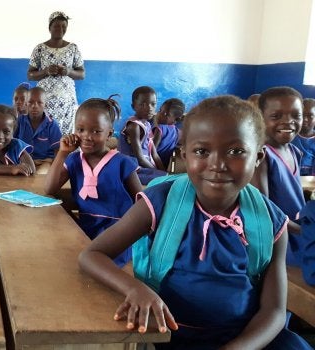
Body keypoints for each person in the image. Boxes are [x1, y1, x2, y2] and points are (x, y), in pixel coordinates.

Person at [78, 95, 311, 349]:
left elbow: (274, 312)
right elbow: (92, 255)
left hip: (245, 336)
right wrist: (135, 289)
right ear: (184, 154)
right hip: (169, 333)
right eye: (202, 151)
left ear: (258, 157)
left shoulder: (271, 221)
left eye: (236, 151)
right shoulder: (160, 202)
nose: (218, 165)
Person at [45, 97, 142, 265]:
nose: (87, 137)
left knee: (96, 266)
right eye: (80, 129)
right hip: (84, 228)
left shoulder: (122, 162)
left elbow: (142, 202)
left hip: (118, 233)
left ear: (109, 133)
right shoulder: (74, 160)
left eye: (96, 131)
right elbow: (49, 189)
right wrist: (62, 153)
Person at [250, 87, 304, 260]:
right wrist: (304, 232)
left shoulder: (295, 151)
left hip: (299, 231)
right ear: (261, 118)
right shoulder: (262, 156)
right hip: (281, 241)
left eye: (296, 116)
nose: (288, 122)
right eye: (276, 116)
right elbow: (263, 210)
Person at [27, 11, 85, 135]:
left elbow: (81, 74)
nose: (61, 29)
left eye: (64, 26)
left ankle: (63, 154)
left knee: (65, 134)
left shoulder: (73, 48)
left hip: (67, 101)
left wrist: (69, 71)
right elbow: (30, 75)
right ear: (50, 28)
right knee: (46, 130)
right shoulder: (40, 49)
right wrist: (45, 71)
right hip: (44, 100)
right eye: (57, 26)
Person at [118, 86, 166, 184]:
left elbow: (154, 154)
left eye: (153, 104)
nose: (149, 108)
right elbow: (139, 158)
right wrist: (158, 172)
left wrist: (164, 171)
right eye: (142, 104)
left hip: (144, 168)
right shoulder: (133, 126)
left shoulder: (147, 124)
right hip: (132, 170)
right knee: (164, 179)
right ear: (133, 106)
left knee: (167, 177)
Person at [14, 87, 62, 174]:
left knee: (38, 176)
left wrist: (56, 170)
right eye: (30, 102)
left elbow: (58, 150)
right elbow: (12, 142)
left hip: (44, 162)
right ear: (26, 104)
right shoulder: (20, 121)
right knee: (19, 176)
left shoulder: (51, 125)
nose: (34, 106)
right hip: (23, 160)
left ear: (45, 105)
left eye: (39, 102)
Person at [152, 98, 185, 168]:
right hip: (166, 164)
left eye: (165, 114)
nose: (160, 114)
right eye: (160, 110)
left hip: (154, 164)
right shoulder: (177, 132)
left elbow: (151, 151)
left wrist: (155, 122)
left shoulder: (159, 129)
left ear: (176, 120)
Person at [291, 98, 315, 175]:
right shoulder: (289, 137)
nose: (305, 119)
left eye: (310, 116)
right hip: (292, 179)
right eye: (302, 115)